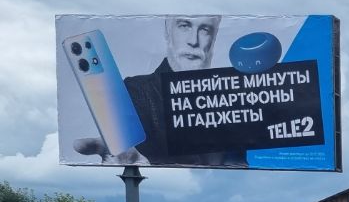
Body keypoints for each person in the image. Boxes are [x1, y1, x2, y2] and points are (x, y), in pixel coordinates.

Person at [73, 15, 242, 167]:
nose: (193, 41)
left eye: (205, 29)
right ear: (168, 31)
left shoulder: (230, 101)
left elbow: (238, 164)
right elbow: (129, 150)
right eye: (184, 26)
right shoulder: (134, 92)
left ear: (214, 36)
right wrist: (124, 154)